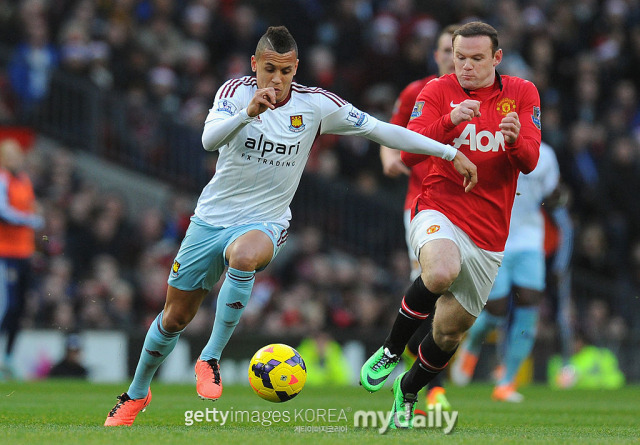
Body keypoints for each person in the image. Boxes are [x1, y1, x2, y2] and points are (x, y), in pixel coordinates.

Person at [105, 25, 477, 427]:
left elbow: (377, 128)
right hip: (211, 218)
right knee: (174, 318)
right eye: (269, 70)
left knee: (245, 256)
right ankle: (137, 393)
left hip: (266, 220)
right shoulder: (234, 94)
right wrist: (249, 113)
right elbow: (209, 141)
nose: (277, 80)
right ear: (255, 65)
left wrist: (445, 149)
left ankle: (209, 357)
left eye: (285, 71)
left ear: (296, 68)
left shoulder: (316, 105)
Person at [360, 21, 541, 429]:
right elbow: (407, 154)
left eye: (477, 59)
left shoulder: (522, 93)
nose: (466, 67)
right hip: (438, 209)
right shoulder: (437, 92)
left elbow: (529, 161)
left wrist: (514, 141)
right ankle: (390, 350)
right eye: (460, 58)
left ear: (496, 58)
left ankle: (407, 391)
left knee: (448, 333)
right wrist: (449, 122)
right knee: (440, 271)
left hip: (490, 233)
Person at [450, 141, 572, 403]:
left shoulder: (546, 154)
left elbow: (552, 196)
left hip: (530, 239)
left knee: (530, 302)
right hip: (494, 236)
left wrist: (558, 196)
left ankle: (507, 382)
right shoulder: (489, 144)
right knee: (496, 309)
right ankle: (472, 344)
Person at [379, 24, 458, 411]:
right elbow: (388, 133)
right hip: (424, 206)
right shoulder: (419, 92)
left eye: (455, 51)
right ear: (436, 53)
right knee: (432, 285)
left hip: (470, 213)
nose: (449, 57)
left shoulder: (485, 98)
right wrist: (389, 159)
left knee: (455, 307)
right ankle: (431, 385)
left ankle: (423, 373)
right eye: (445, 50)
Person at [0, 138, 44, 379]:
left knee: (20, 307)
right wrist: (31, 219)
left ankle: (8, 358)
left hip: (23, 252)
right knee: (7, 305)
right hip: (4, 252)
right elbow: (3, 212)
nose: (15, 159)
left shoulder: (24, 180)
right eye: (10, 155)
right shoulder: (2, 179)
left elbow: (31, 208)